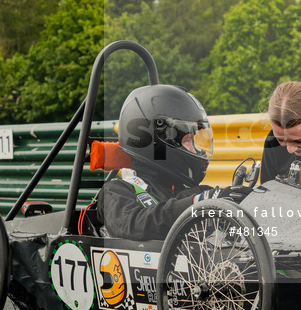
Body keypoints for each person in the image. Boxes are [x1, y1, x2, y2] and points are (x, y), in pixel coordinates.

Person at [97, 84, 247, 240]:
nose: (195, 151)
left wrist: (244, 199)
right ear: (160, 143)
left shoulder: (188, 191)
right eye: (188, 141)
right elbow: (134, 224)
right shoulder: (116, 191)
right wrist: (197, 204)